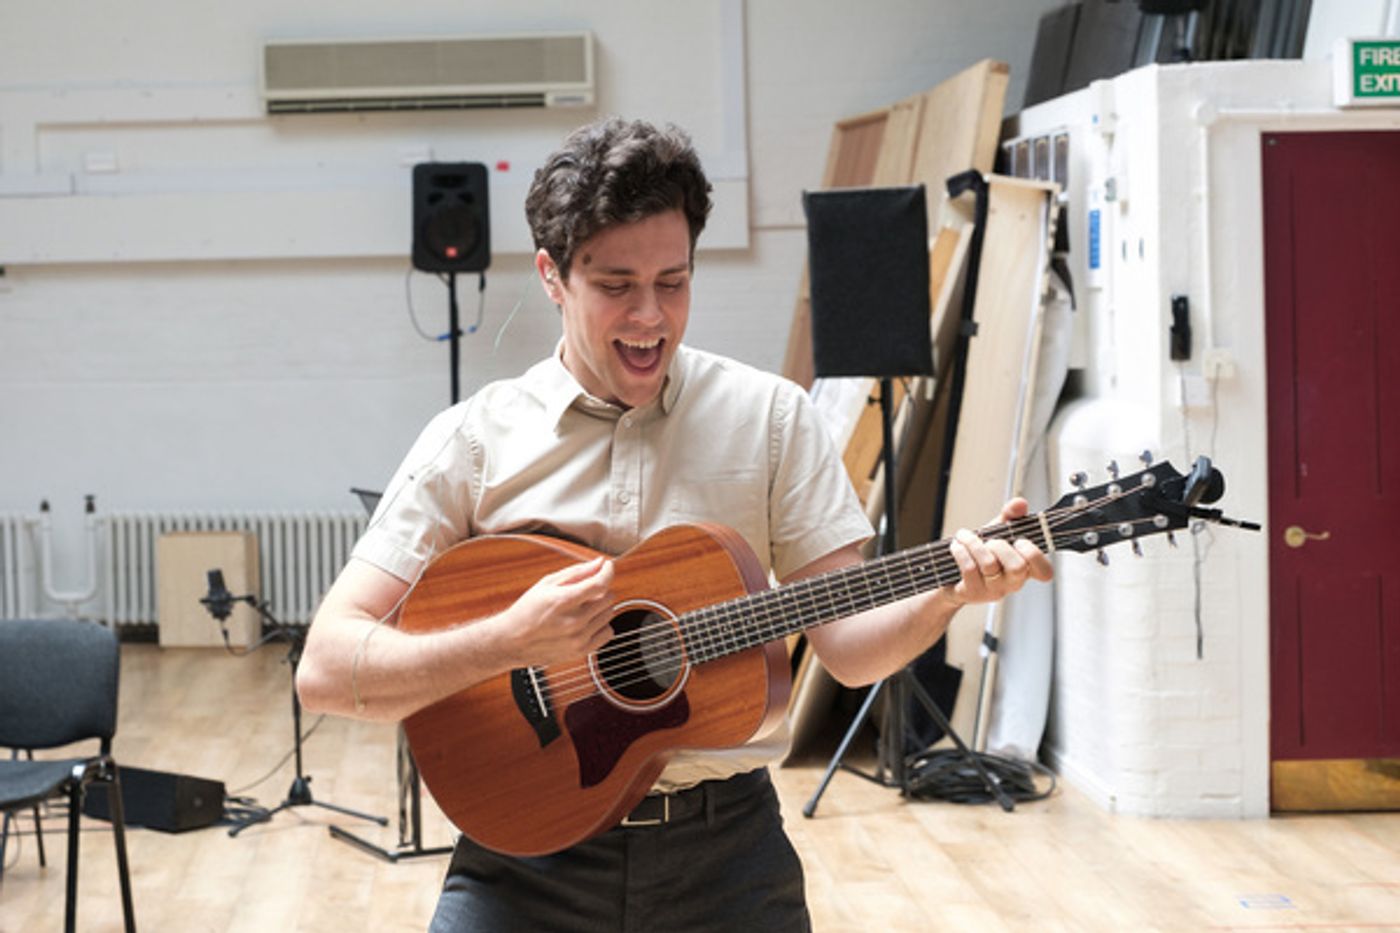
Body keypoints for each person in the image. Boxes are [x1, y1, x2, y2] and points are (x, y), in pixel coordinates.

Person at [297, 116, 1053, 932]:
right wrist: (509, 640)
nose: (650, 317)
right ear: (553, 277)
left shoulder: (769, 419)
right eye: (616, 285)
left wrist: (947, 594)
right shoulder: (474, 441)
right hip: (523, 858)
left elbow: (850, 648)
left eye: (674, 281)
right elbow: (327, 670)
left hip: (725, 859)